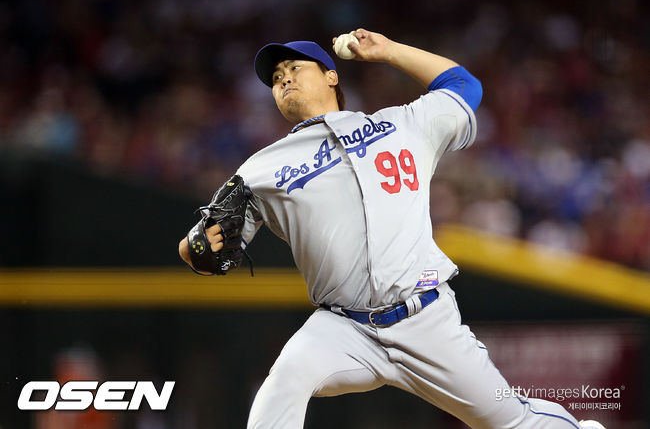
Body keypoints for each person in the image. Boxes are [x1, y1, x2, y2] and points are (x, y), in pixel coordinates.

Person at [179, 29, 605, 429]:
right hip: (345, 328)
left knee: (510, 421)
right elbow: (201, 245)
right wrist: (195, 249)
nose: (284, 79)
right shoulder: (259, 169)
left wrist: (389, 51)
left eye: (295, 68)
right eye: (276, 77)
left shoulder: (402, 124)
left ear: (331, 76)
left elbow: (464, 87)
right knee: (284, 380)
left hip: (425, 320)